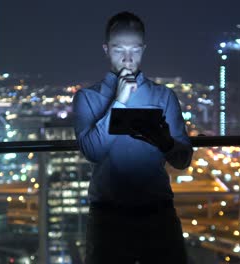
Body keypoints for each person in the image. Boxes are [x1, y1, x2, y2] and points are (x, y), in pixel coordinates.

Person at [72, 11, 194, 264]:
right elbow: (92, 152)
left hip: (158, 213)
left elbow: (183, 159)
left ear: (144, 49)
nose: (128, 59)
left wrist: (165, 142)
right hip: (108, 218)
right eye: (119, 50)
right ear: (106, 49)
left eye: (135, 50)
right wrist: (120, 102)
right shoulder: (87, 98)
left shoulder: (164, 97)